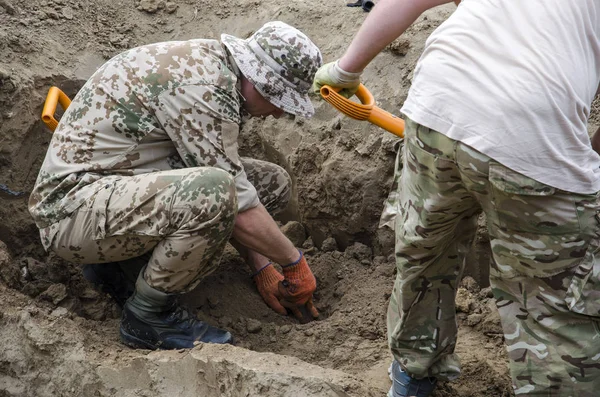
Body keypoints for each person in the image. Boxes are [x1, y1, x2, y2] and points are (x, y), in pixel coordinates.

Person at [313, 1, 600, 396]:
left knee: (425, 252)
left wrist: (344, 69)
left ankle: (412, 374)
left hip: (438, 98)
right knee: (553, 303)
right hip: (534, 127)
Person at [29, 21, 322, 350]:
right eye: (282, 100)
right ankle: (148, 316)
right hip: (71, 213)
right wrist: (293, 263)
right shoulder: (204, 87)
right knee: (212, 192)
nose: (281, 113)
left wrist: (262, 266)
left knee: (270, 183)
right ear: (261, 82)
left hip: (108, 192)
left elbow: (237, 189)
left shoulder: (219, 71)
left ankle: (115, 269)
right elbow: (230, 200)